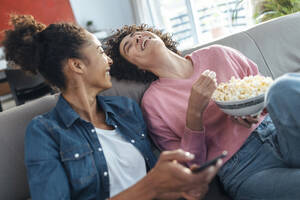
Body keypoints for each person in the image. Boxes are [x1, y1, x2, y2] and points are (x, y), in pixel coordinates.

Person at [2, 15, 223, 200]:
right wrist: (151, 186)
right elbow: (150, 186)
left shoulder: (126, 110)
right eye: (100, 52)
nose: (109, 60)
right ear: (77, 65)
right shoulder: (45, 132)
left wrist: (182, 187)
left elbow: (156, 183)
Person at [105, 24, 300, 199]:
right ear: (135, 67)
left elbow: (264, 90)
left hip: (280, 133)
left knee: (282, 87)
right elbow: (191, 168)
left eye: (137, 33)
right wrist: (194, 114)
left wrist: (256, 110)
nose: (137, 38)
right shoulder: (153, 104)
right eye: (128, 45)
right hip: (243, 168)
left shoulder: (219, 54)